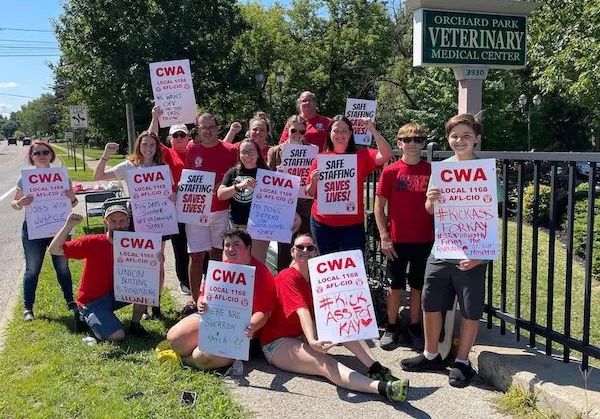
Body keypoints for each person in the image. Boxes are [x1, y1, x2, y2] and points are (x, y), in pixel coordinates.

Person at [400, 113, 500, 388]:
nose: (460, 140)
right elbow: (430, 209)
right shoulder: (442, 169)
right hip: (443, 248)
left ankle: (462, 361)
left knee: (470, 309)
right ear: (448, 139)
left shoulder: (487, 171)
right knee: (431, 302)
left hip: (473, 251)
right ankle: (431, 354)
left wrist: (482, 255)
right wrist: (431, 200)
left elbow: (493, 217)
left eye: (466, 136)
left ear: (477, 138)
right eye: (455, 136)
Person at [260, 233, 409, 402]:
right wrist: (313, 340)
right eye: (300, 247)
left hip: (299, 333)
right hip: (277, 342)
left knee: (342, 325)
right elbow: (303, 311)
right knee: (325, 363)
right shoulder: (287, 276)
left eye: (310, 248)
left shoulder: (317, 277)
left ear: (316, 252)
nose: (305, 251)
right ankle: (382, 389)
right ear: (292, 252)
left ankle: (376, 368)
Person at [166, 227, 276, 370]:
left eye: (236, 244)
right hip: (213, 321)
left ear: (248, 247)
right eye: (227, 245)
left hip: (240, 331)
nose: (230, 249)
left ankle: (188, 359)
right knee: (174, 339)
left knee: (201, 358)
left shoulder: (262, 273)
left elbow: (264, 312)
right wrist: (201, 303)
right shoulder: (220, 269)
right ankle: (191, 351)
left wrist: (252, 325)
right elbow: (204, 296)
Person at [93, 130, 172, 319]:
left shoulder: (162, 167)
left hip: (159, 218)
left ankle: (156, 305)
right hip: (136, 219)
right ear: (139, 145)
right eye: (144, 144)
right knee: (139, 264)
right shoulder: (129, 166)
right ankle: (141, 306)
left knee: (158, 262)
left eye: (152, 145)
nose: (148, 148)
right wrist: (106, 155)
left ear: (157, 147)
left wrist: (172, 196)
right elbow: (98, 176)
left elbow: (170, 191)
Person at [49, 207, 149, 340]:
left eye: (121, 220)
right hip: (92, 301)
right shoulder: (93, 242)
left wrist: (155, 258)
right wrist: (69, 225)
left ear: (127, 222)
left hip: (118, 293)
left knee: (143, 288)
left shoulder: (134, 244)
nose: (118, 225)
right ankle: (83, 316)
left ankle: (135, 325)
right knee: (118, 336)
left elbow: (147, 271)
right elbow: (54, 249)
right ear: (105, 223)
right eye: (113, 221)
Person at [375, 123, 433, 351]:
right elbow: (379, 207)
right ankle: (391, 326)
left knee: (418, 285)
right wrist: (384, 236)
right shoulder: (390, 171)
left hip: (424, 238)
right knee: (395, 286)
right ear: (399, 143)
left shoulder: (431, 171)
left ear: (422, 144)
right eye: (407, 140)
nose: (412, 144)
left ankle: (414, 325)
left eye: (417, 140)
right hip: (397, 239)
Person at [306, 115, 393, 255]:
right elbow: (310, 192)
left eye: (344, 131)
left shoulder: (362, 155)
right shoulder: (320, 159)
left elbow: (387, 154)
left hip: (351, 225)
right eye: (336, 131)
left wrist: (372, 129)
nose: (340, 135)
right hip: (322, 224)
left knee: (353, 269)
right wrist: (313, 182)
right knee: (327, 271)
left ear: (351, 133)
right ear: (329, 133)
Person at [11, 140, 78, 322]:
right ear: (31, 157)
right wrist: (20, 203)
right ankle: (28, 308)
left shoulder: (63, 176)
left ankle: (70, 301)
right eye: (37, 153)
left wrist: (72, 197)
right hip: (34, 228)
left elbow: (73, 203)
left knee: (63, 266)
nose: (41, 155)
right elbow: (14, 203)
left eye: (45, 152)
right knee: (32, 269)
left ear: (51, 154)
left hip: (59, 228)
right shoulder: (25, 178)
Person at [183, 113, 238, 316]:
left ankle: (214, 297)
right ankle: (195, 300)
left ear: (217, 128)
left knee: (216, 254)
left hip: (221, 210)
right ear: (197, 130)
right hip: (196, 211)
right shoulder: (192, 151)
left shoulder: (231, 150)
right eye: (203, 128)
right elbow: (188, 178)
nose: (207, 131)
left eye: (211, 127)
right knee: (196, 255)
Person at [147, 106, 192, 296]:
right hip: (173, 205)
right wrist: (155, 117)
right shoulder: (166, 153)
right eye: (175, 135)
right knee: (179, 243)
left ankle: (203, 275)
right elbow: (150, 138)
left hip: (195, 204)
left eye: (182, 134)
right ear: (170, 139)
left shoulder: (195, 151)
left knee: (198, 244)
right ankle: (184, 279)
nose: (179, 137)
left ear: (189, 137)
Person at [266, 115, 315, 270]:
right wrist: (277, 174)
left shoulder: (312, 151)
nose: (297, 134)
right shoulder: (275, 152)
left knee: (306, 249)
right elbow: (268, 181)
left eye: (302, 131)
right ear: (287, 129)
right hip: (284, 206)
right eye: (294, 130)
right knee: (285, 251)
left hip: (305, 205)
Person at [217, 139, 271, 263]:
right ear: (239, 155)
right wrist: (239, 186)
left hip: (259, 227)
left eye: (251, 151)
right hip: (237, 225)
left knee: (256, 262)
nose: (247, 155)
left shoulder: (267, 174)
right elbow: (220, 194)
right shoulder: (233, 172)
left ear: (258, 153)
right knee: (235, 262)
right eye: (243, 152)